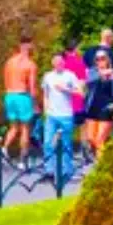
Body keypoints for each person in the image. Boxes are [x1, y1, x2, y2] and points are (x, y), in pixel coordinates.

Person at [39, 52, 84, 180]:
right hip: (52, 115)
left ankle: (67, 171)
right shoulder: (48, 76)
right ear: (52, 63)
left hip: (65, 114)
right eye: (56, 62)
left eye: (60, 62)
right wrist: (45, 110)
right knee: (48, 142)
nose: (58, 64)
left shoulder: (70, 75)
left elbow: (80, 92)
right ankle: (49, 171)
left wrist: (66, 89)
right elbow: (45, 94)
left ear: (64, 63)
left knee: (65, 143)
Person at [0, 36, 39, 167]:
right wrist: (35, 104)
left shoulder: (9, 62)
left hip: (10, 95)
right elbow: (32, 87)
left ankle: (4, 149)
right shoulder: (30, 64)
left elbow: (5, 80)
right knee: (25, 128)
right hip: (22, 95)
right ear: (29, 46)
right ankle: (22, 160)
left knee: (13, 127)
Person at [79, 50, 113, 157]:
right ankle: (105, 160)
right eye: (97, 59)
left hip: (106, 110)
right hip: (92, 109)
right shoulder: (92, 72)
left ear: (107, 60)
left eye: (102, 58)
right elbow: (88, 80)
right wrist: (103, 73)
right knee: (91, 139)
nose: (100, 61)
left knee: (99, 140)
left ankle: (102, 168)